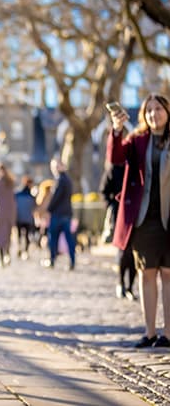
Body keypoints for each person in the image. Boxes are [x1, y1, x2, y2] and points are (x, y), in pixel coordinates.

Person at [108, 93, 170, 348]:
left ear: (167, 111)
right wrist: (117, 128)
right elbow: (115, 157)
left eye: (158, 109)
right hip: (144, 219)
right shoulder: (137, 140)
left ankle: (168, 334)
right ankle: (150, 332)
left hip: (169, 219)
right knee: (147, 275)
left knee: (168, 275)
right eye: (149, 110)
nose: (153, 114)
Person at [100, 161, 136, 300]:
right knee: (123, 251)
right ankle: (120, 282)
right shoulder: (113, 169)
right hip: (119, 216)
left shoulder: (136, 166)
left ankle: (130, 287)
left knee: (133, 252)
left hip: (134, 213)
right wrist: (112, 205)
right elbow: (104, 191)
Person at [45, 157, 77, 270]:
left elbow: (55, 198)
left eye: (56, 166)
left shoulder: (60, 180)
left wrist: (48, 209)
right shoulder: (68, 180)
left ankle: (52, 260)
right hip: (67, 213)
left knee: (53, 238)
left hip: (58, 214)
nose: (54, 168)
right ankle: (72, 260)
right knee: (69, 239)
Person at [15, 176, 37, 260]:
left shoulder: (17, 194)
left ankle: (20, 249)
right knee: (27, 235)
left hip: (19, 218)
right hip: (28, 218)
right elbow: (34, 206)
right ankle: (25, 251)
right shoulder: (31, 196)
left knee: (19, 235)